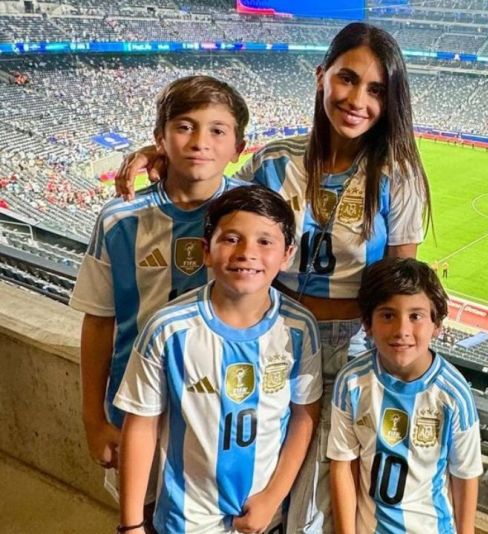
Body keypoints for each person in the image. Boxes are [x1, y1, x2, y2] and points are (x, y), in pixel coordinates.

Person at [115, 23, 432, 533]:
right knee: (250, 482)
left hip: (352, 356)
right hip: (272, 342)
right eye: (347, 79)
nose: (357, 99)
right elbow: (216, 196)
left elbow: (396, 285)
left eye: (376, 90)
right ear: (320, 77)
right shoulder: (273, 162)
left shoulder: (399, 176)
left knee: (325, 504)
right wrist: (164, 157)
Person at [69, 75, 250, 520]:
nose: (200, 142)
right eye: (184, 127)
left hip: (221, 417)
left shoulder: (252, 219)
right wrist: (94, 420)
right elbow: (98, 321)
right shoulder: (118, 220)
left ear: (238, 147)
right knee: (140, 517)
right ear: (160, 138)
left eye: (217, 131)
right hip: (136, 414)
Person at [114, 186, 321, 533]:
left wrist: (272, 498)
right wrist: (132, 524)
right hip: (186, 519)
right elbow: (141, 425)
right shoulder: (168, 329)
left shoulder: (299, 328)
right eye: (232, 239)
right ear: (205, 251)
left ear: (287, 255)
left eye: (264, 242)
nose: (247, 253)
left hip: (263, 518)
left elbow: (303, 417)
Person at [327, 258, 481, 533]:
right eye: (388, 315)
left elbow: (465, 476)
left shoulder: (453, 395)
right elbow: (343, 466)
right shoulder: (351, 382)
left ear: (437, 325)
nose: (402, 331)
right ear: (368, 324)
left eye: (416, 316)